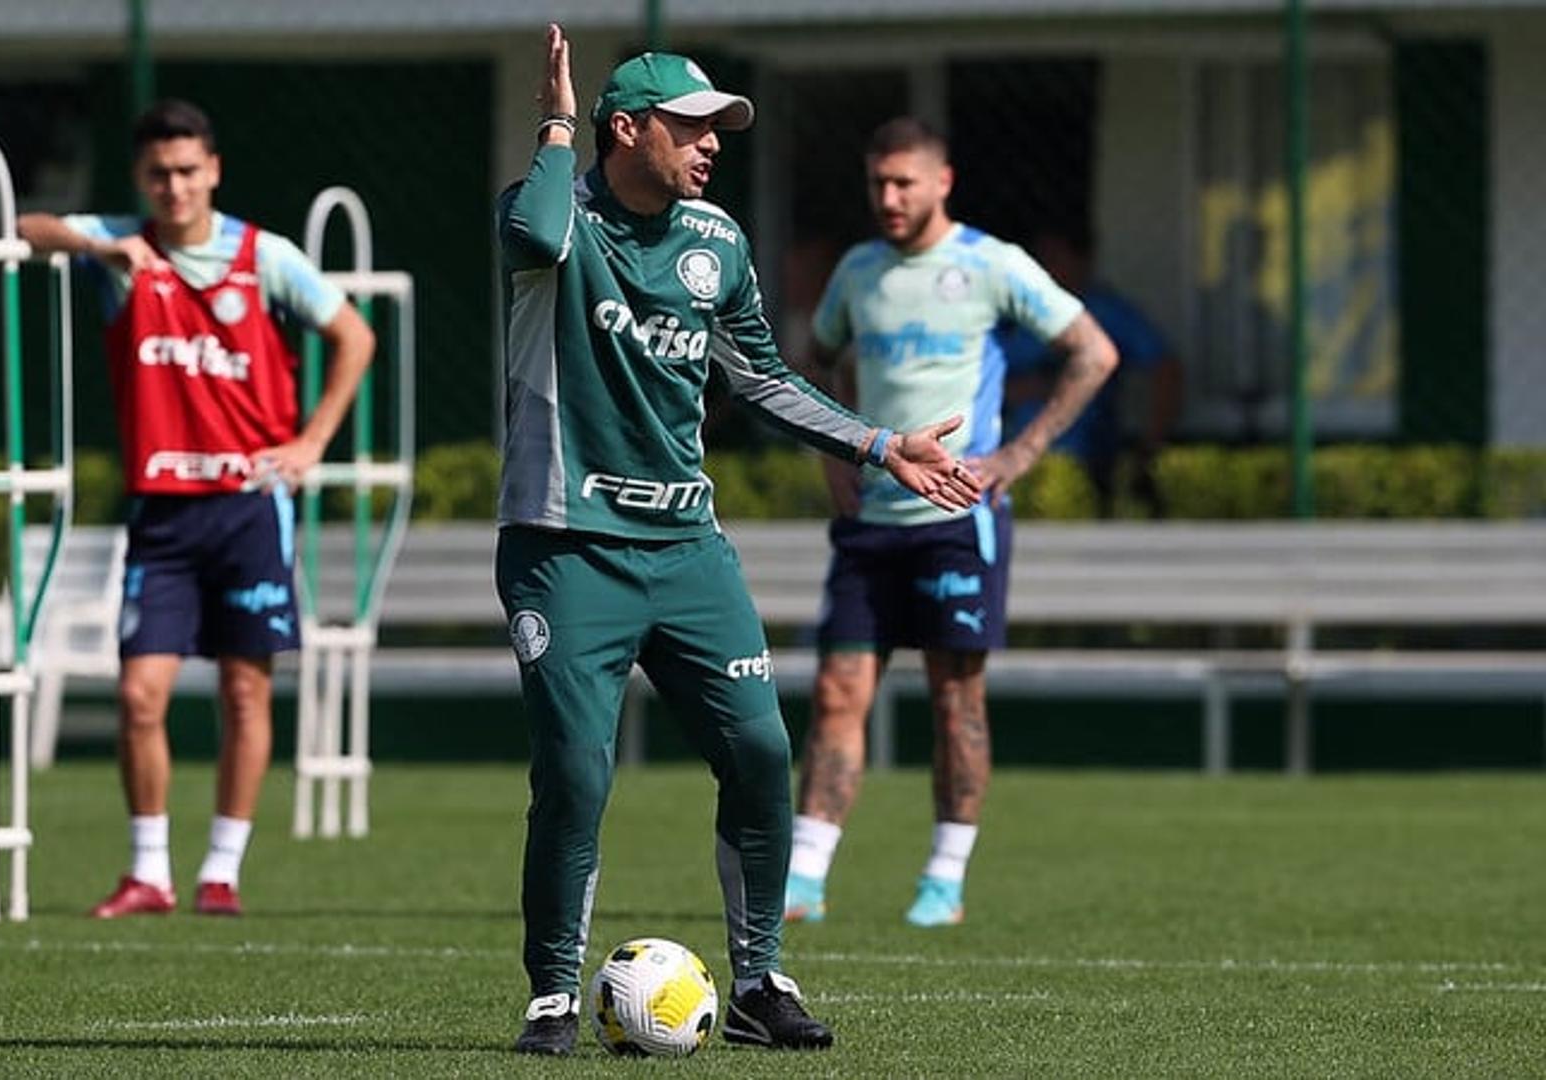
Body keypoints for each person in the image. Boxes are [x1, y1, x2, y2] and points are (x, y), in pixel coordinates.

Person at [496, 29, 983, 1056]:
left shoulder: (715, 240)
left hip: (686, 549)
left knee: (762, 753)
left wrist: (880, 442)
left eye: (720, 127)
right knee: (577, 772)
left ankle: (760, 980)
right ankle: (550, 992)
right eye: (692, 126)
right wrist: (553, 119)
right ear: (625, 129)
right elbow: (538, 233)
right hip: (565, 546)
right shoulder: (553, 216)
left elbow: (762, 374)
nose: (714, 143)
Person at [18, 99, 375, 919]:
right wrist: (99, 244)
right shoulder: (121, 249)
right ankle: (149, 870)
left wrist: (312, 441)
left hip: (250, 507)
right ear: (140, 179)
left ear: (212, 170)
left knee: (245, 693)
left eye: (186, 171)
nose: (173, 187)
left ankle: (222, 869)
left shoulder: (266, 257)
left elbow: (355, 336)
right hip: (162, 513)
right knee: (140, 694)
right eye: (157, 174)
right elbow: (22, 227)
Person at [782, 118, 1117, 930]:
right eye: (877, 184)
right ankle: (803, 878)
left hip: (958, 523)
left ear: (943, 183)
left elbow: (1093, 353)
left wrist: (1019, 455)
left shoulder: (990, 264)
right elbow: (815, 363)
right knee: (836, 691)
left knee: (954, 697)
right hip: (871, 522)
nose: (889, 199)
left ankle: (943, 878)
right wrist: (838, 460)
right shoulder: (858, 272)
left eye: (904, 182)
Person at [1000, 224, 1182, 517]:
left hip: (1083, 462)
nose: (1045, 270)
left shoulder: (1107, 312)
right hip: (1011, 462)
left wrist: (1151, 445)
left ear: (1083, 260)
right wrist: (1023, 388)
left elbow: (1165, 369)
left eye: (1054, 259)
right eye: (1039, 260)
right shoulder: (1017, 314)